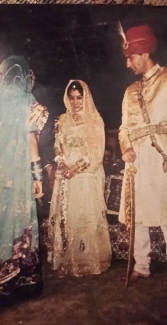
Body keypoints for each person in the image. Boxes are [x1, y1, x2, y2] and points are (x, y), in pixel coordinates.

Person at [0, 56, 49, 299]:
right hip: (15, 179)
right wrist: (37, 176)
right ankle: (12, 282)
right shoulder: (28, 103)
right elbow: (31, 140)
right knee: (14, 224)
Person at [118, 24, 167, 292]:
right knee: (137, 216)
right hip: (137, 161)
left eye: (130, 57)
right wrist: (125, 146)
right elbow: (123, 129)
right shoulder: (130, 91)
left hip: (163, 156)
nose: (128, 63)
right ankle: (141, 265)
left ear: (142, 53)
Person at [48, 80, 111, 277]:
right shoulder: (62, 119)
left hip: (85, 175)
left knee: (84, 216)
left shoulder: (95, 120)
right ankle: (66, 256)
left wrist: (74, 168)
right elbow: (57, 145)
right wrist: (61, 163)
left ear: (86, 98)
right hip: (65, 173)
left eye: (79, 98)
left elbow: (96, 152)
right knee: (67, 216)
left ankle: (86, 260)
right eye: (71, 97)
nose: (75, 102)